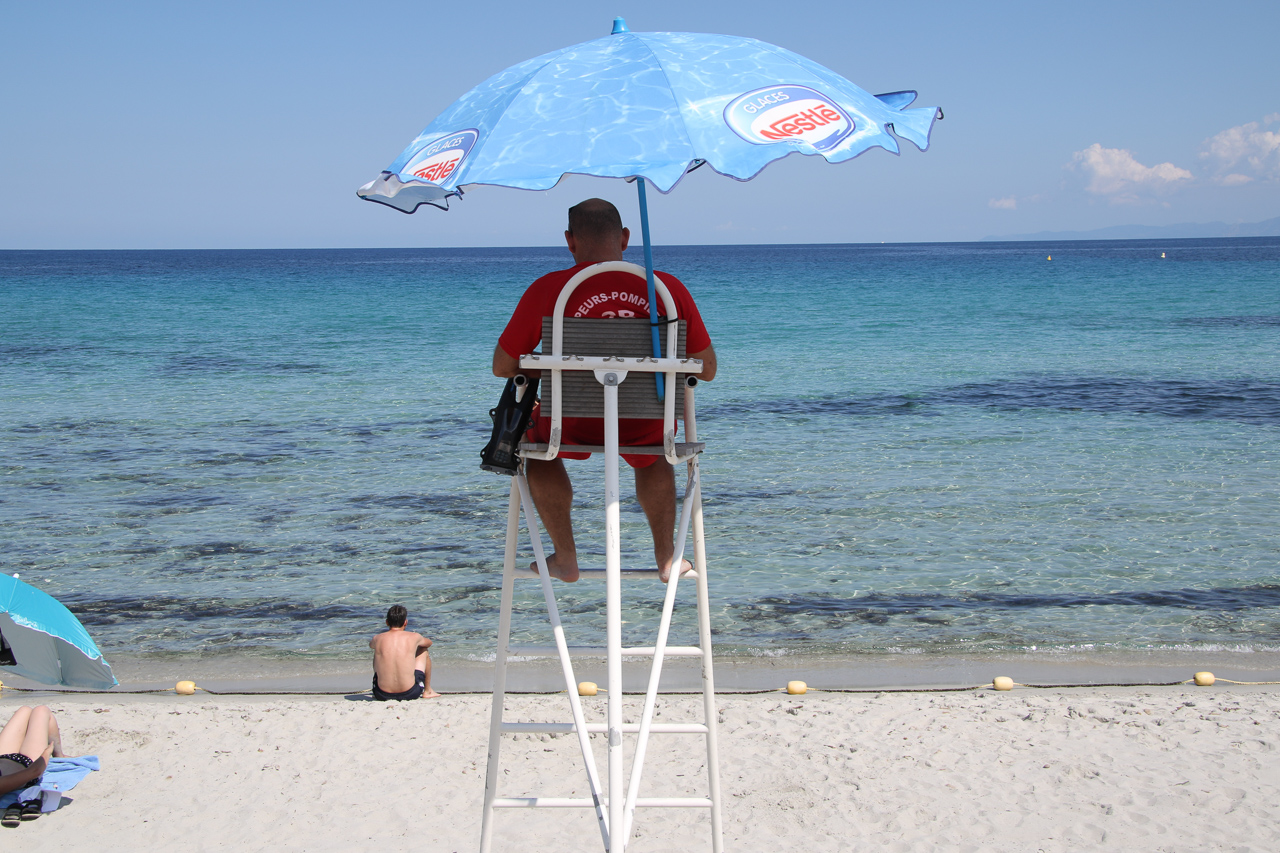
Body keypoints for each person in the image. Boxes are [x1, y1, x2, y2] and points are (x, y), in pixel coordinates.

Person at [492, 198, 718, 584]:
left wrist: (553, 365)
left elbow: (502, 366)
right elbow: (707, 369)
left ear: (570, 240)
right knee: (657, 450)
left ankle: (565, 557)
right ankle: (667, 558)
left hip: (569, 422)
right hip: (646, 423)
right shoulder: (665, 289)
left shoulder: (549, 288)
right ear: (625, 237)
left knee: (537, 447)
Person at [368, 605, 440, 701]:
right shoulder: (414, 636)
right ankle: (428, 690)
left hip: (381, 694)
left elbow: (371, 645)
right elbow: (429, 643)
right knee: (423, 650)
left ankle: (382, 682)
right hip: (410, 693)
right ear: (405, 622)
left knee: (378, 651)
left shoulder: (377, 638)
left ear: (387, 622)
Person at [0, 705, 66, 800]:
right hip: (28, 764)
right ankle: (59, 755)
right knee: (42, 710)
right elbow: (35, 771)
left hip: (3, 757)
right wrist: (47, 752)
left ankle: (59, 755)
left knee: (25, 710)